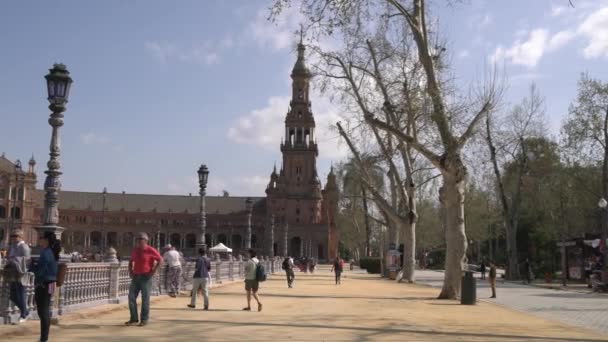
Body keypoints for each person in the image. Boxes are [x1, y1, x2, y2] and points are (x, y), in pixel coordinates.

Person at [125, 232, 162, 327]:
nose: (139, 241)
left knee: (145, 299)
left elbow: (160, 260)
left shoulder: (151, 250)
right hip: (136, 277)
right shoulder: (135, 250)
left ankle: (144, 319)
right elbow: (130, 262)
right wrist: (130, 272)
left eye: (141, 239)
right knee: (131, 298)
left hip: (146, 277)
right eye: (138, 240)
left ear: (146, 241)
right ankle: (133, 318)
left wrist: (153, 271)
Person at [31, 231, 60, 342]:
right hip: (51, 283)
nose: (39, 239)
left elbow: (40, 271)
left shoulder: (46, 252)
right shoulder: (52, 251)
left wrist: (31, 266)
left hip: (44, 283)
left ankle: (44, 338)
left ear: (47, 240)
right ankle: (44, 337)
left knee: (42, 311)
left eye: (41, 237)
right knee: (45, 310)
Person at [6, 229, 31, 324]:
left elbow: (28, 260)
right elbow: (8, 257)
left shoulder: (24, 247)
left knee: (21, 294)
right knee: (12, 295)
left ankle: (23, 314)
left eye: (15, 236)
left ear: (20, 237)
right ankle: (26, 312)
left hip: (21, 273)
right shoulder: (12, 246)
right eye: (12, 236)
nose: (13, 237)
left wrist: (14, 260)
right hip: (12, 272)